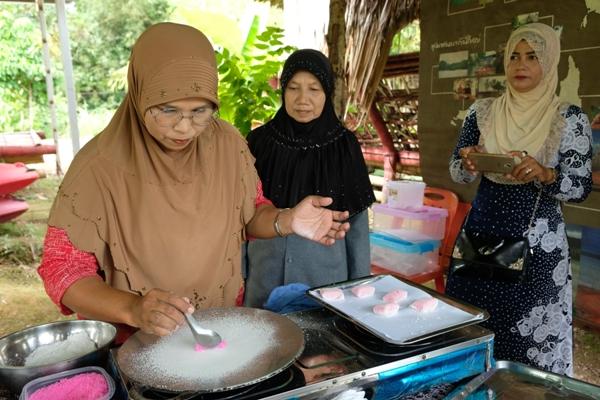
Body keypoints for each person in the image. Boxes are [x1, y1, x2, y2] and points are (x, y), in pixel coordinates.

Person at [37, 23, 351, 343]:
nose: (184, 128)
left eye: (200, 111)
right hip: (134, 343)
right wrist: (133, 308)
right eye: (168, 110)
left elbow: (249, 213)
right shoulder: (98, 167)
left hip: (219, 327)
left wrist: (286, 220)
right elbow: (63, 270)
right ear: (139, 93)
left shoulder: (227, 144)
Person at [446, 22, 592, 376]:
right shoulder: (482, 112)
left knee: (526, 346)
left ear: (550, 62)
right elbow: (456, 170)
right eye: (513, 56)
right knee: (470, 332)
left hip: (538, 248)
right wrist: (469, 160)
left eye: (532, 56)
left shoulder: (569, 118)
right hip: (479, 238)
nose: (520, 64)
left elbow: (580, 186)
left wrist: (545, 173)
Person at [243, 49, 375, 308]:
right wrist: (239, 274)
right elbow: (240, 213)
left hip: (324, 281)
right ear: (283, 91)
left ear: (327, 92)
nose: (303, 99)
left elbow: (357, 224)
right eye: (293, 88)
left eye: (314, 89)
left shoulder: (344, 145)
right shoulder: (258, 142)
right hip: (263, 277)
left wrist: (360, 288)